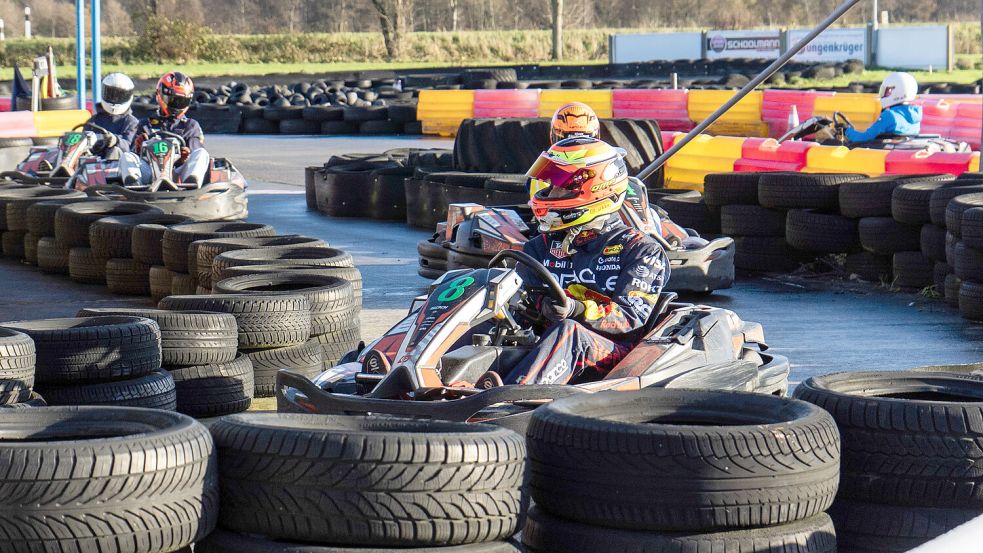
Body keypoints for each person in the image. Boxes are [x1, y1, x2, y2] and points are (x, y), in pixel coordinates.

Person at [480, 137, 670, 388]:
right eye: (551, 185)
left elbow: (628, 317)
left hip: (616, 354)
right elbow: (521, 295)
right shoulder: (540, 246)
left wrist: (575, 309)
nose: (550, 193)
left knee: (569, 331)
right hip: (544, 341)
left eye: (560, 187)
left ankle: (511, 398)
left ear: (596, 189)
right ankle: (427, 377)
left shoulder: (640, 250)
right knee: (486, 315)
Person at [123, 71, 210, 186]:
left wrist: (185, 156)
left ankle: (191, 184)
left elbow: (195, 152)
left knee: (201, 153)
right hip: (150, 173)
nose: (177, 105)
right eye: (173, 100)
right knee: (126, 156)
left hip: (178, 174)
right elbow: (134, 154)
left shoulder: (190, 125)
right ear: (160, 95)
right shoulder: (145, 125)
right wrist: (138, 148)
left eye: (181, 101)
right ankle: (133, 186)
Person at [844, 72, 922, 143]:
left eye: (887, 90)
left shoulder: (889, 116)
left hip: (883, 154)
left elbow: (863, 138)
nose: (884, 94)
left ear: (896, 92)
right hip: (902, 152)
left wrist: (846, 130)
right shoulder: (916, 118)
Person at [84, 72, 138, 156]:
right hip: (91, 162)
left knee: (114, 151)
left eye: (120, 96)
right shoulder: (93, 121)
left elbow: (129, 146)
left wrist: (115, 140)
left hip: (117, 165)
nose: (114, 99)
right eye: (111, 94)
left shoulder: (131, 122)